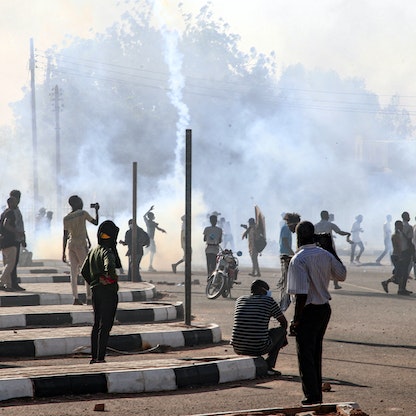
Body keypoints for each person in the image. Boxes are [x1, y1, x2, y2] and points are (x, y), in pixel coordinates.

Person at [287, 221, 347, 405]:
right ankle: (316, 395)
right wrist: (332, 250)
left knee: (305, 355)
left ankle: (312, 395)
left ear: (297, 237)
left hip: (309, 310)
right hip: (323, 310)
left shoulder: (298, 259)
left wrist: (296, 320)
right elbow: (341, 274)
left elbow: (301, 293)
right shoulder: (325, 254)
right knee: (315, 352)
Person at [81, 220, 121, 364]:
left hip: (96, 292)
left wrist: (94, 282)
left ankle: (94, 357)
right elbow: (109, 266)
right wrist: (110, 278)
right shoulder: (107, 252)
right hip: (108, 293)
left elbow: (83, 271)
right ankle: (101, 358)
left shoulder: (93, 251)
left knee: (97, 324)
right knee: (105, 326)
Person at [230, 279, 288, 376]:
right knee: (281, 331)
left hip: (237, 346)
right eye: (267, 290)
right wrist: (282, 339)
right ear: (262, 290)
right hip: (258, 347)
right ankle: (269, 366)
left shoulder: (240, 300)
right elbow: (283, 322)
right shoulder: (269, 301)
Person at [63, 195, 99, 305]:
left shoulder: (67, 218)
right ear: (78, 203)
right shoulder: (83, 213)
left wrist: (62, 252)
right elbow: (96, 222)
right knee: (87, 271)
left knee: (73, 273)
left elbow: (65, 236)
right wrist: (97, 211)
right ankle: (89, 298)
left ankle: (75, 298)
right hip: (80, 245)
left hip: (71, 245)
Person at [314, 210, 350, 289]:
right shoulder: (330, 224)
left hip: (319, 248)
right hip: (330, 248)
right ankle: (335, 284)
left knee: (319, 266)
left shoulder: (316, 225)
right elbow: (339, 232)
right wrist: (348, 233)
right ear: (327, 216)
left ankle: (320, 284)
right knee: (335, 264)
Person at [381, 220, 413, 295]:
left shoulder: (400, 234)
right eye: (400, 226)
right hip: (397, 256)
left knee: (401, 274)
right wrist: (400, 256)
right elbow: (397, 247)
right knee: (399, 274)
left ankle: (401, 289)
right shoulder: (395, 236)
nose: (402, 227)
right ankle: (387, 282)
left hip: (398, 255)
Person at [277, 212, 301, 311]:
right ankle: (282, 306)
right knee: (286, 282)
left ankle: (284, 304)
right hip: (286, 255)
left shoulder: (286, 228)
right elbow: (285, 242)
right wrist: (294, 254)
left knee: (287, 280)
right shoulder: (286, 228)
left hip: (287, 255)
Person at [9, 190, 27, 291]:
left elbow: (21, 225)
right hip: (12, 240)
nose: (18, 200)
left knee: (14, 263)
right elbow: (9, 226)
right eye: (16, 198)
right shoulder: (11, 211)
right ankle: (12, 283)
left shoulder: (17, 210)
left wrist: (23, 238)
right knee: (12, 263)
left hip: (16, 239)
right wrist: (19, 235)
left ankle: (13, 283)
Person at [0, 197, 19, 291]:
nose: (17, 204)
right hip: (10, 242)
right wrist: (17, 232)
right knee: (10, 264)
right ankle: (1, 281)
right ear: (10, 203)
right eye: (15, 202)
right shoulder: (10, 213)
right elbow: (6, 224)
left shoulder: (3, 213)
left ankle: (8, 285)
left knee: (6, 264)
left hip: (3, 242)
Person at [143, 205, 166, 272]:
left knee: (146, 252)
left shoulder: (148, 222)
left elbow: (144, 216)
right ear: (151, 217)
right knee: (152, 252)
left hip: (147, 239)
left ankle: (137, 263)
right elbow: (158, 228)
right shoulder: (152, 223)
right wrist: (162, 230)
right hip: (151, 239)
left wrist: (149, 210)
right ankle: (150, 266)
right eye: (153, 216)